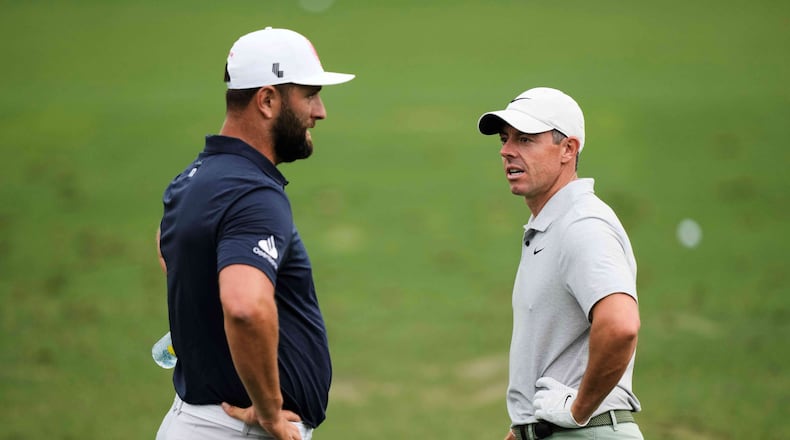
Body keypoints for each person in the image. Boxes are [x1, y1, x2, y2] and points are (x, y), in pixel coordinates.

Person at [154, 27, 354, 440]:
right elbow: (245, 306)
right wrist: (270, 412)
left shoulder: (194, 178)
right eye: (310, 95)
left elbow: (167, 246)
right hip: (237, 430)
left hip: (197, 421)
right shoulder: (253, 194)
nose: (320, 112)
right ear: (267, 100)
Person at [476, 87, 643, 440]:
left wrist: (578, 410)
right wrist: (525, 428)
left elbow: (621, 325)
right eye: (505, 139)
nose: (507, 150)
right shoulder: (553, 226)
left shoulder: (582, 226)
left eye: (525, 139)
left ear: (568, 149)